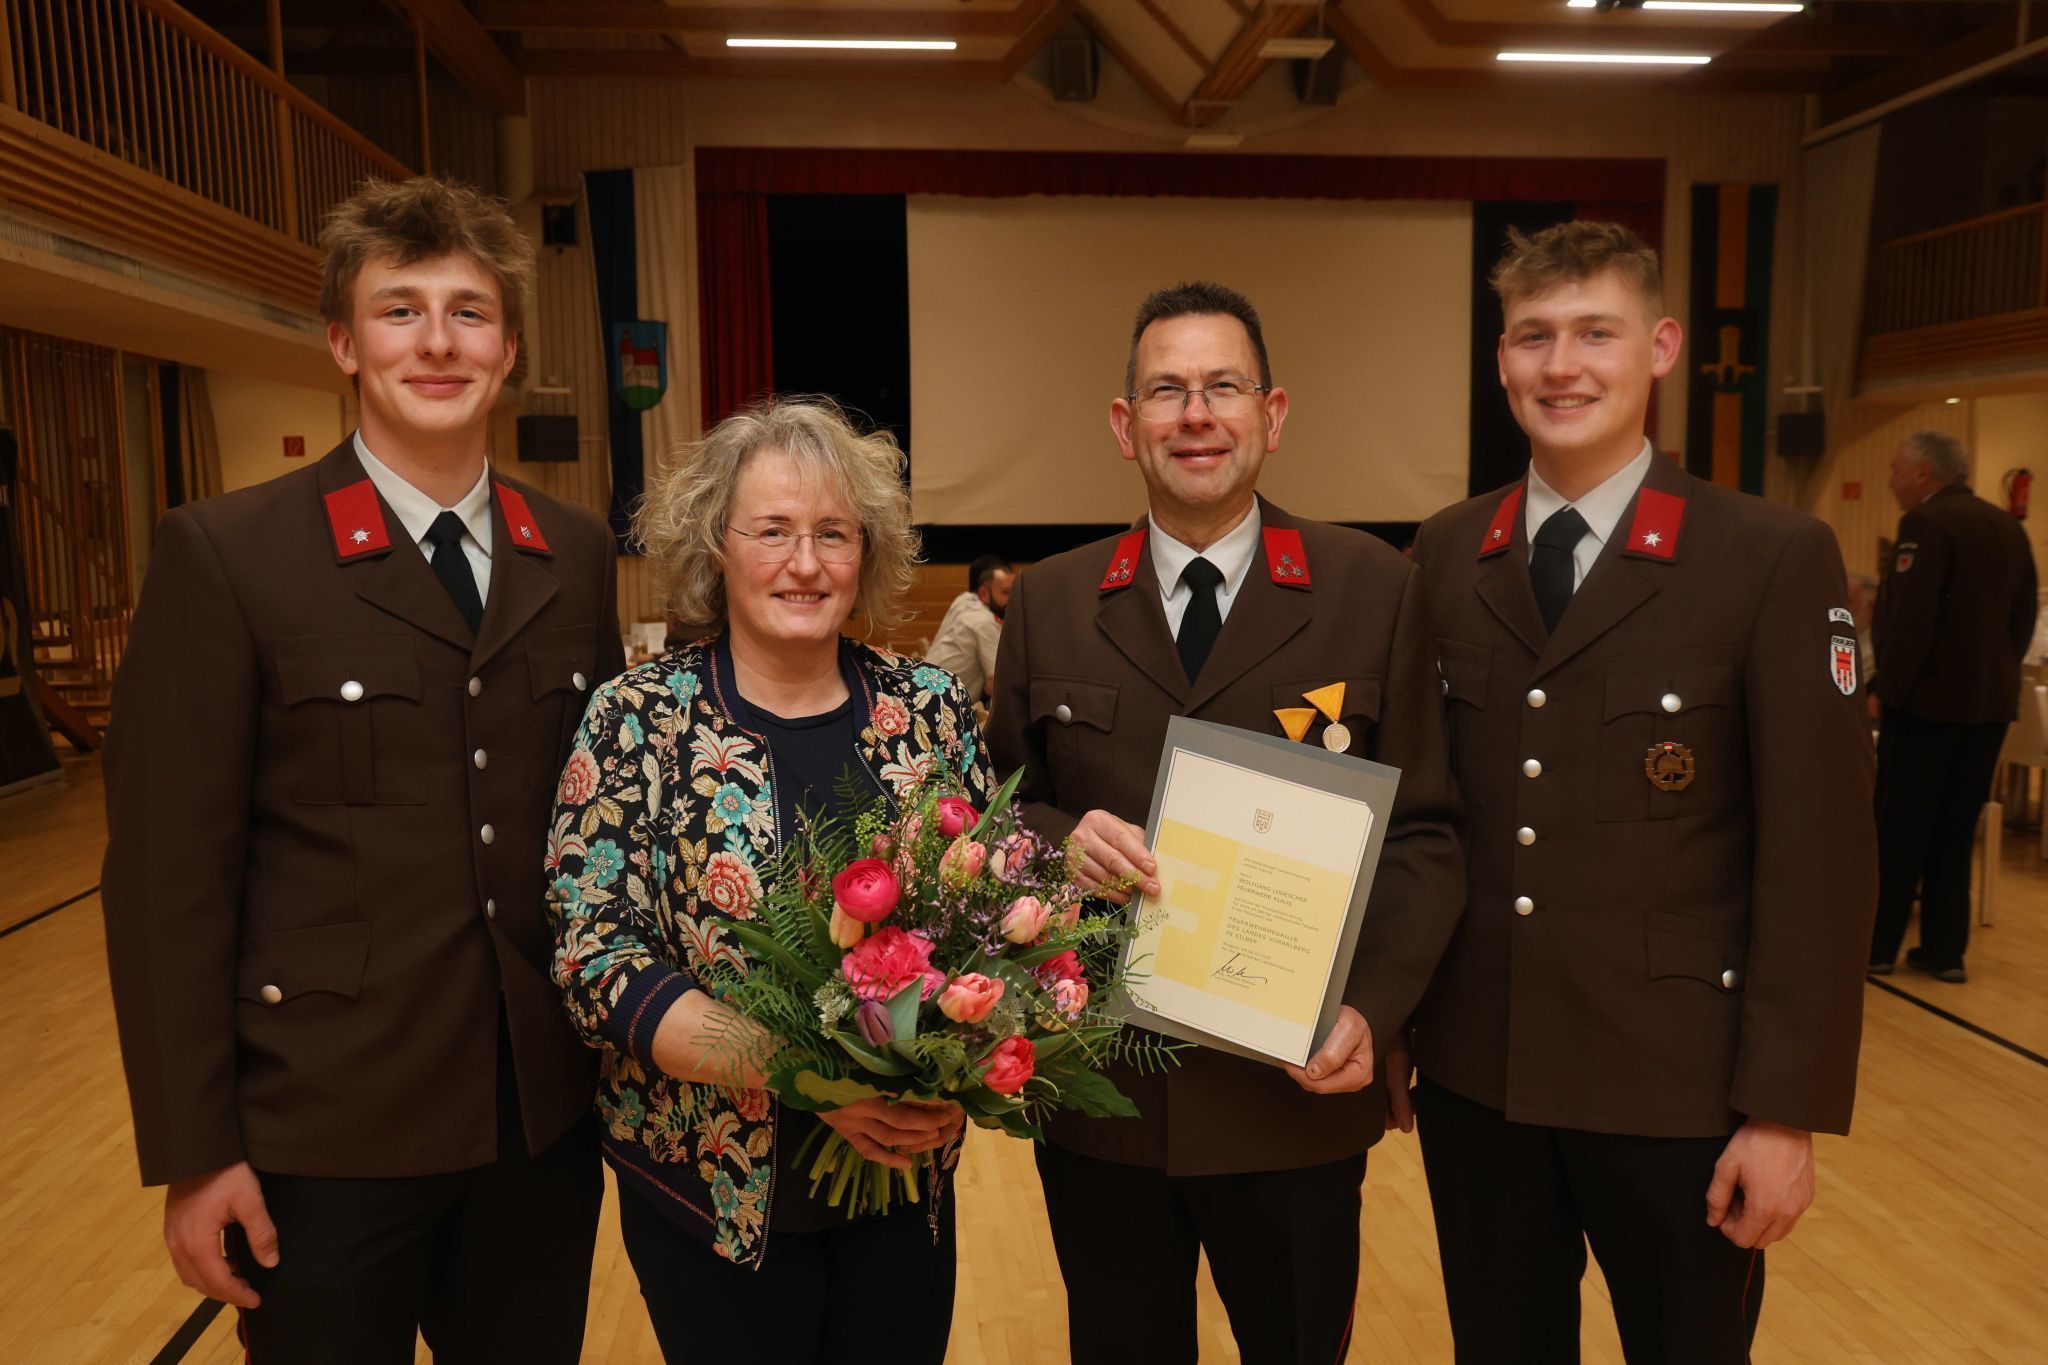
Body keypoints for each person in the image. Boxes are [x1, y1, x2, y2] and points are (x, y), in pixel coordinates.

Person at [100, 177, 621, 1362]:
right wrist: (197, 1151)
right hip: (319, 1135)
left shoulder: (572, 553)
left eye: (468, 312)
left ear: (510, 349)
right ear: (341, 342)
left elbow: (589, 833)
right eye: (399, 310)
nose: (437, 341)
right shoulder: (229, 554)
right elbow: (167, 883)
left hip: (532, 1127)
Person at [1401, 220, 1877, 1364]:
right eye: (1532, 337)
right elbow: (1420, 817)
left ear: (1659, 346)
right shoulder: (1444, 553)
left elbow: (1817, 856)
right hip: (1481, 1080)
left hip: (1680, 1092)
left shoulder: (1764, 555)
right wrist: (1390, 1012)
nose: (1560, 365)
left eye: (1593, 333)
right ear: (1501, 360)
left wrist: (1783, 1111)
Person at [987, 281, 1464, 1364]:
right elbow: (997, 810)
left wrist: (1371, 1011)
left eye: (1221, 387)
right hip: (1100, 1092)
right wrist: (1061, 841)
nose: (1194, 415)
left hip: (1290, 1101)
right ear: (1125, 427)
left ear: (1272, 413)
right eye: (1165, 391)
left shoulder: (1369, 588)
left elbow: (1428, 834)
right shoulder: (1054, 599)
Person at [545, 398, 992, 1362]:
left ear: (865, 553)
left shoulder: (932, 712)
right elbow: (594, 956)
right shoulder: (637, 720)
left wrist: (959, 1062)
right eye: (775, 531)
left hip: (904, 1192)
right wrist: (804, 1074)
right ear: (717, 544)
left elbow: (988, 922)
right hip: (708, 1204)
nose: (805, 562)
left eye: (834, 533)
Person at [1868, 431, 2036, 982]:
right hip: (1989, 708)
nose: (1891, 480)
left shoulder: (1926, 524)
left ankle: (1877, 947)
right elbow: (2024, 617)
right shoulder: (2007, 526)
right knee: (1955, 830)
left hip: (1927, 705)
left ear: (1922, 472)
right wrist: (1999, 678)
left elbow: (1912, 622)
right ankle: (1943, 952)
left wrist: (1885, 690)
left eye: (1896, 469)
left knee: (1900, 828)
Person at [924, 553, 1012, 700]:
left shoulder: (963, 602)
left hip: (928, 693)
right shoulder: (984, 621)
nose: (1013, 599)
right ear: (984, 592)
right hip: (937, 705)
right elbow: (997, 685)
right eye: (1006, 592)